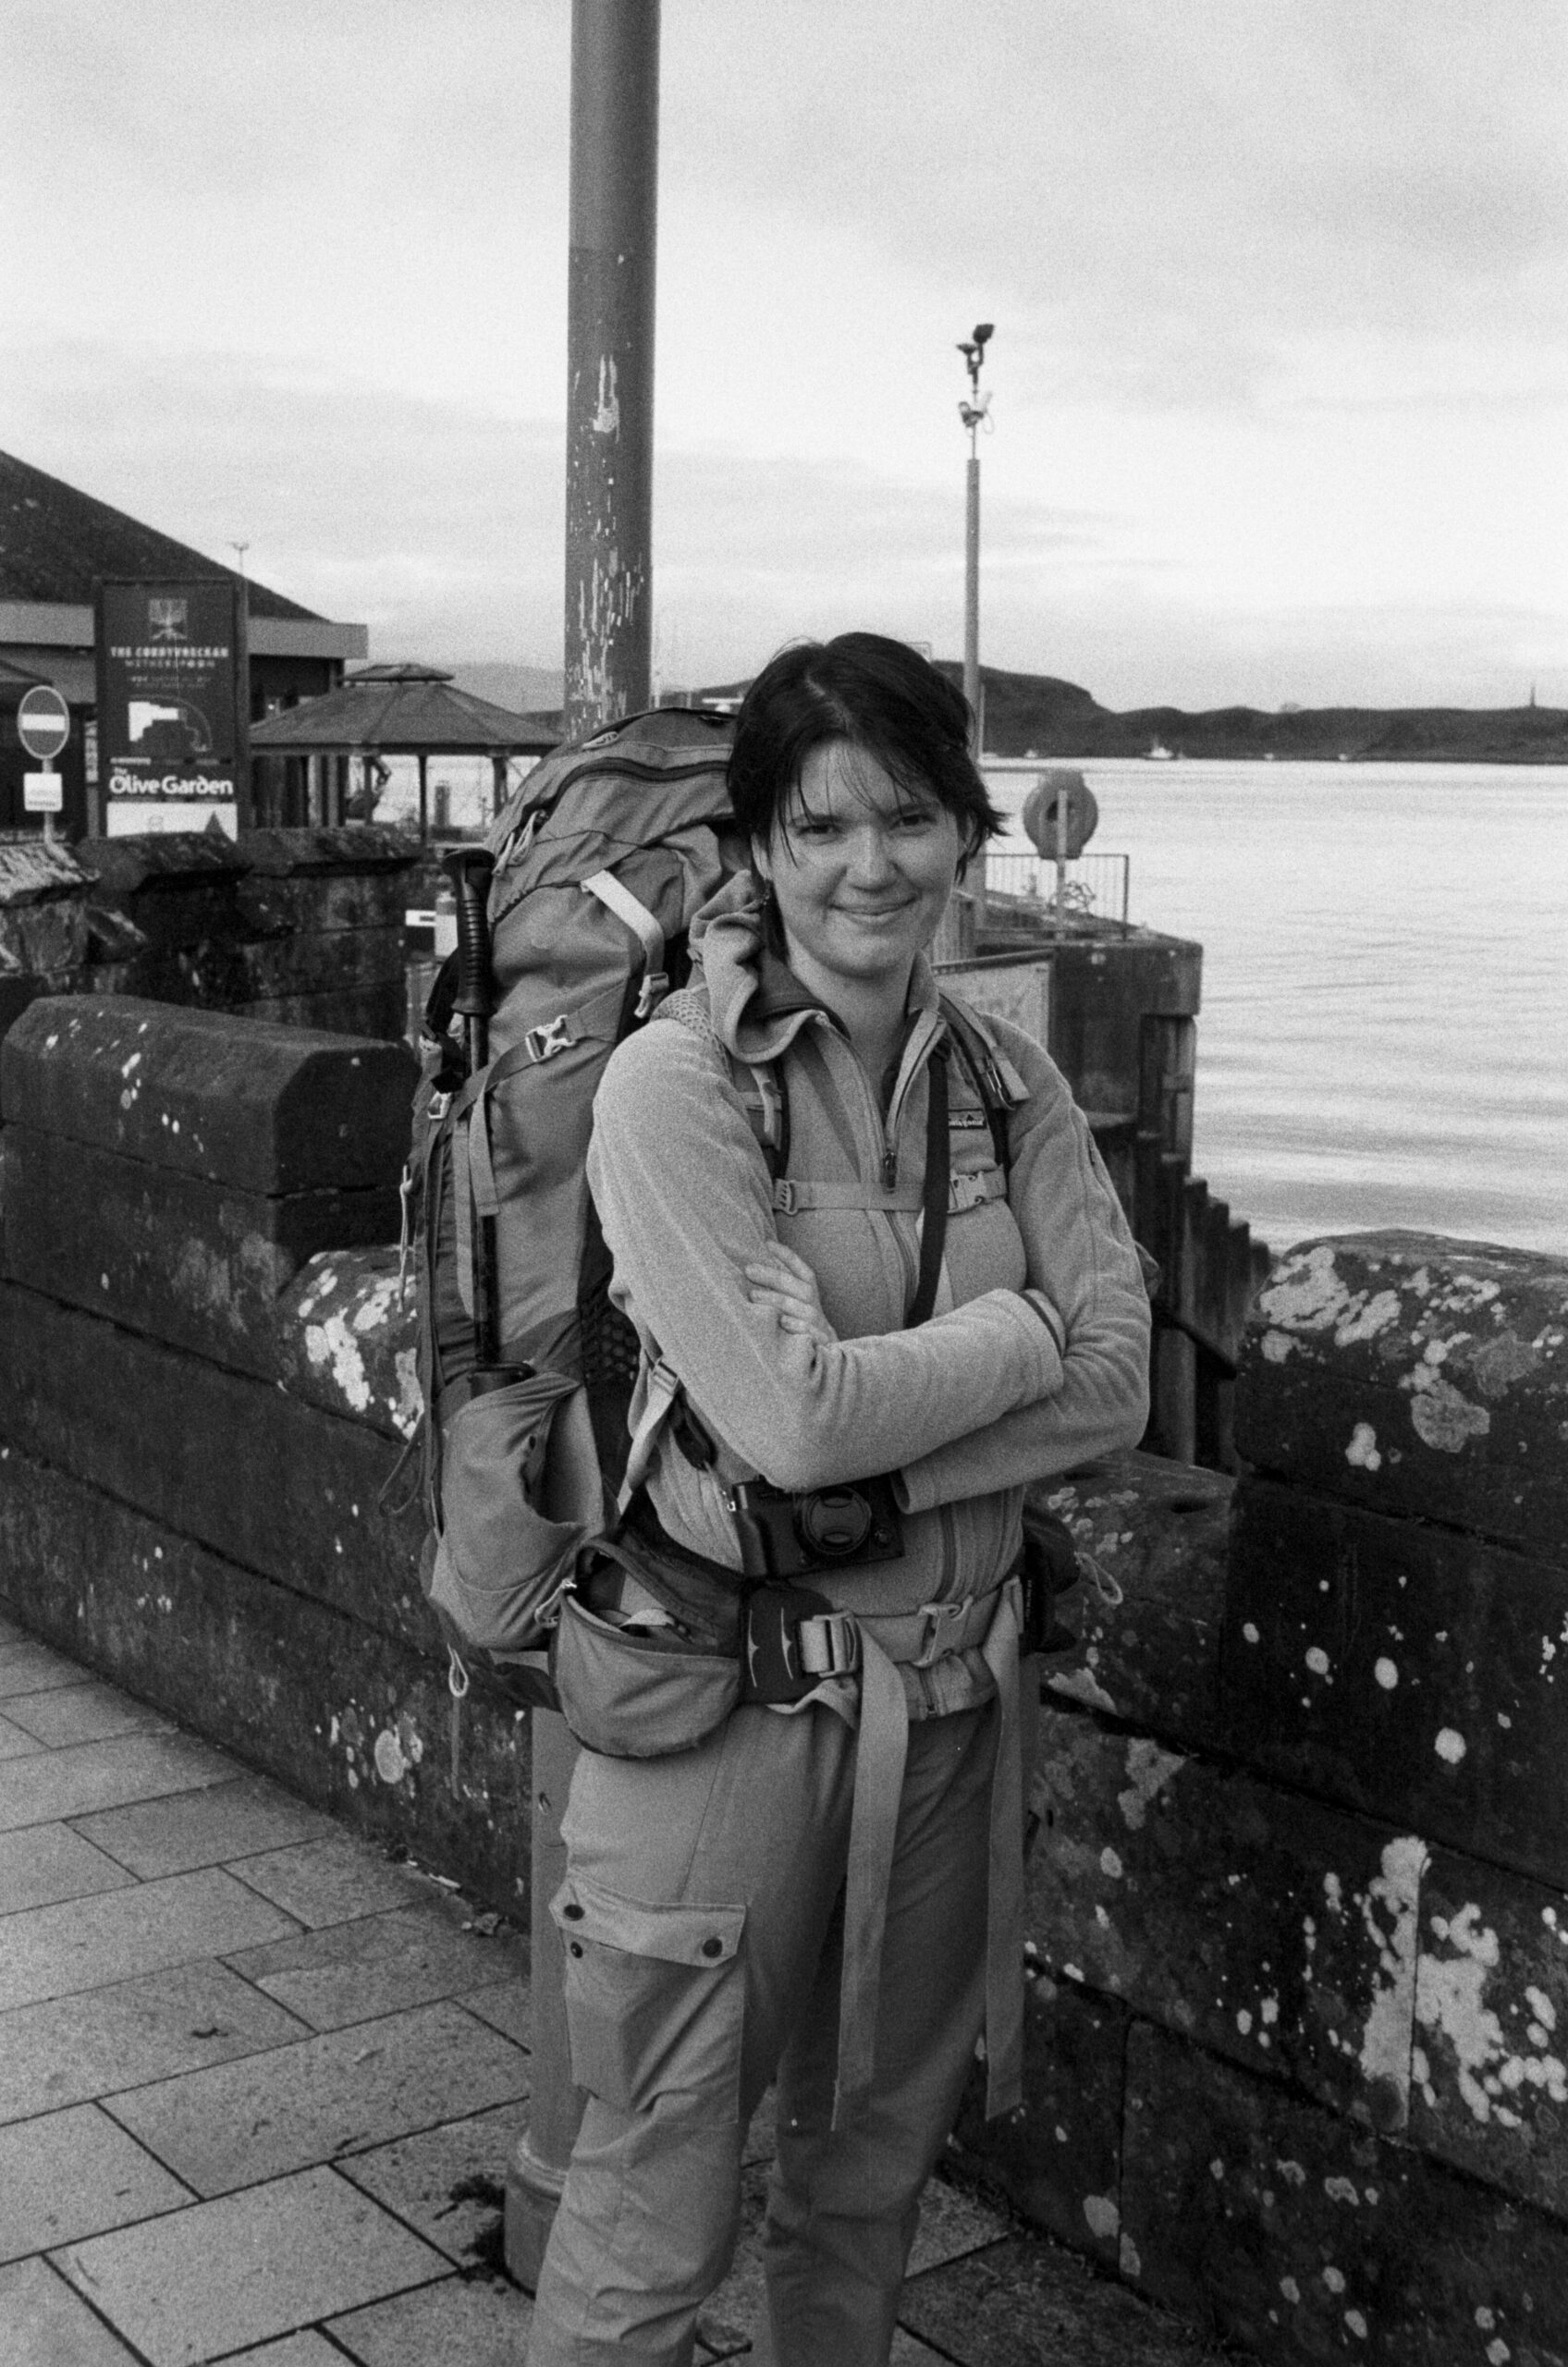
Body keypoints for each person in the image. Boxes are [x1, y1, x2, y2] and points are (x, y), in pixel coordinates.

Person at [527, 632, 1150, 2366]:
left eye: (904, 817)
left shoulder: (1009, 1086)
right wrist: (1013, 1333)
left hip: (948, 1712)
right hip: (722, 1713)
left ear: (966, 833)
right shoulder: (673, 1088)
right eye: (817, 829)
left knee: (865, 2194)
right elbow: (788, 1427)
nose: (867, 864)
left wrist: (889, 1411)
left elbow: (1123, 1381)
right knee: (654, 2215)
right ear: (760, 852)